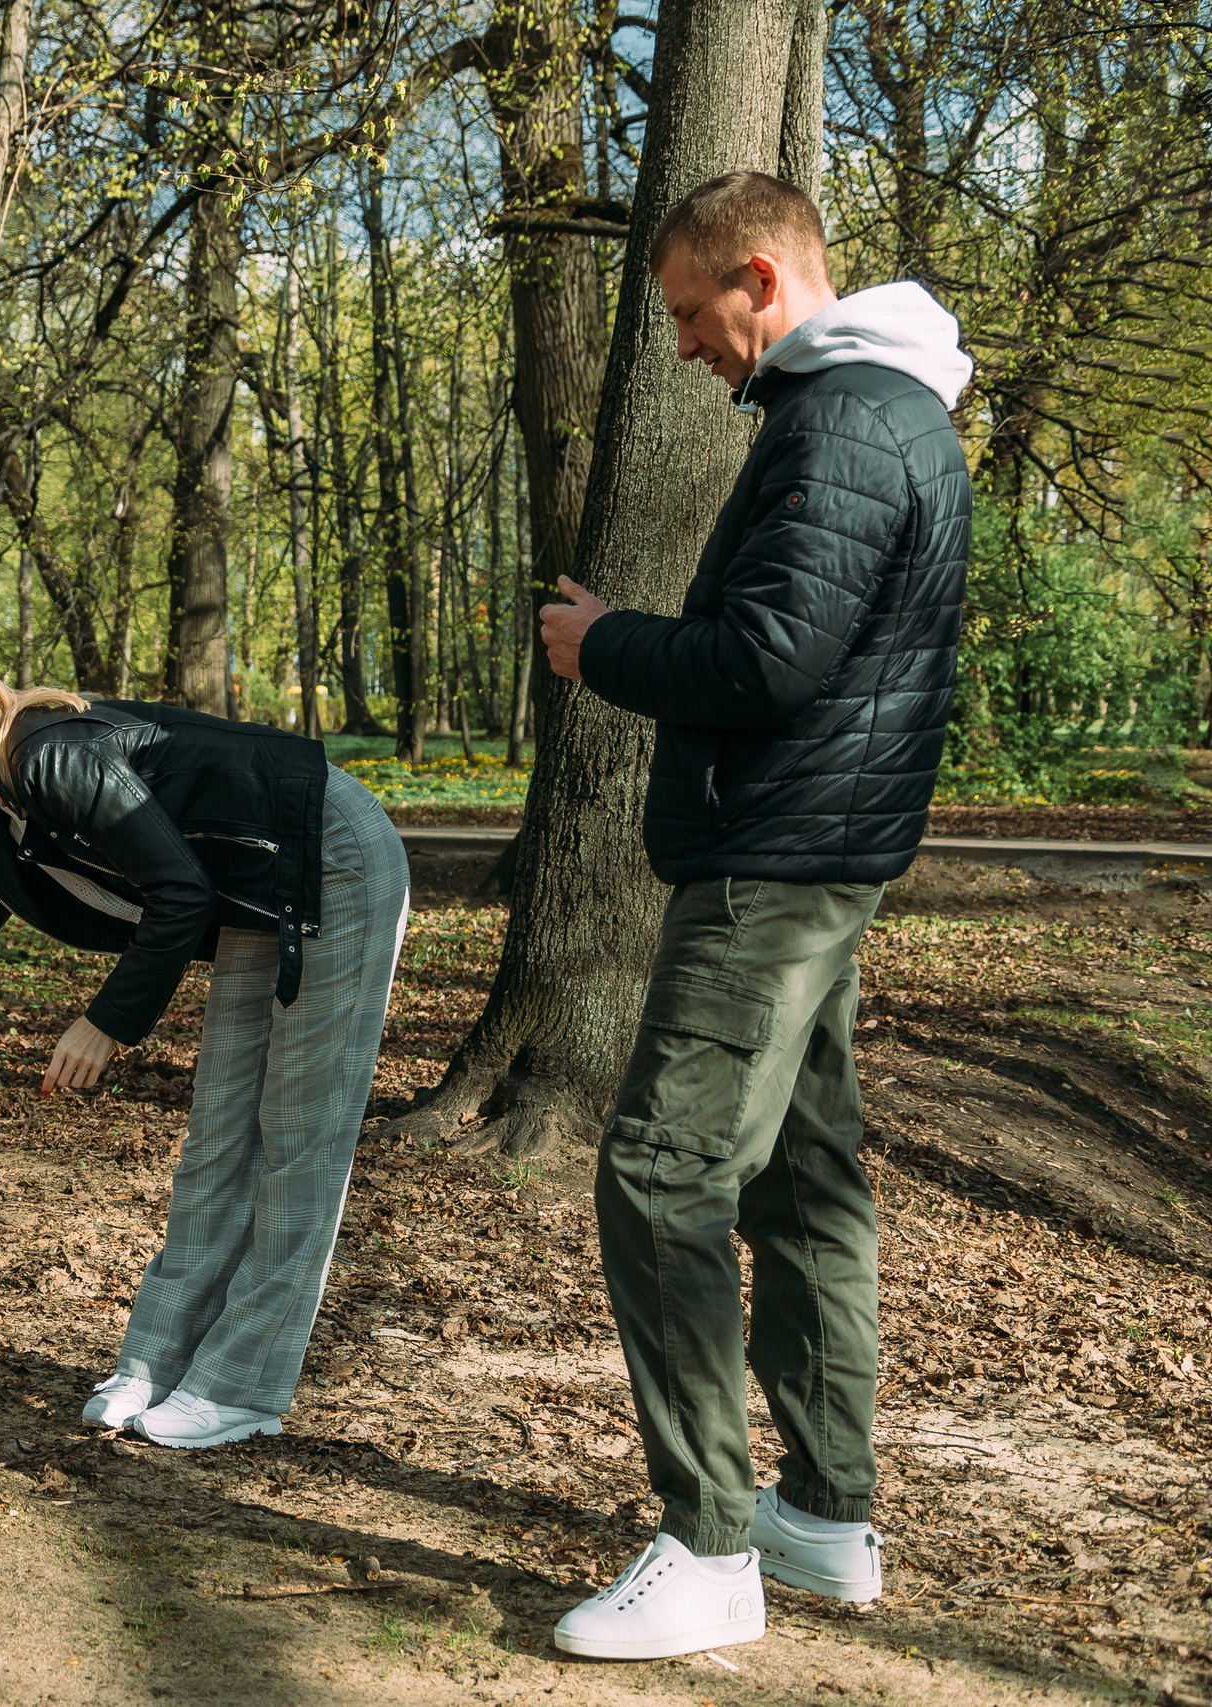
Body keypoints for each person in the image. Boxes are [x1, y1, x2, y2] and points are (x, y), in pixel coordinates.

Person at [537, 172, 971, 1661]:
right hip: (822, 850)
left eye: (689, 312)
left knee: (661, 1169)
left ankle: (712, 1544)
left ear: (764, 280)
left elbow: (771, 660)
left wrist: (605, 647)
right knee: (801, 1180)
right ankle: (824, 1514)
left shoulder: (847, 418)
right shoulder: (877, 409)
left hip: (777, 861)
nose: (683, 347)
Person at [0, 647, 409, 1450]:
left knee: (299, 1136)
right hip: (252, 889)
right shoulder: (1, 805)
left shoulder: (48, 756)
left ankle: (242, 1387)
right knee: (220, 1133)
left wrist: (108, 1021)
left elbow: (177, 890)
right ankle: (158, 1361)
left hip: (328, 857)